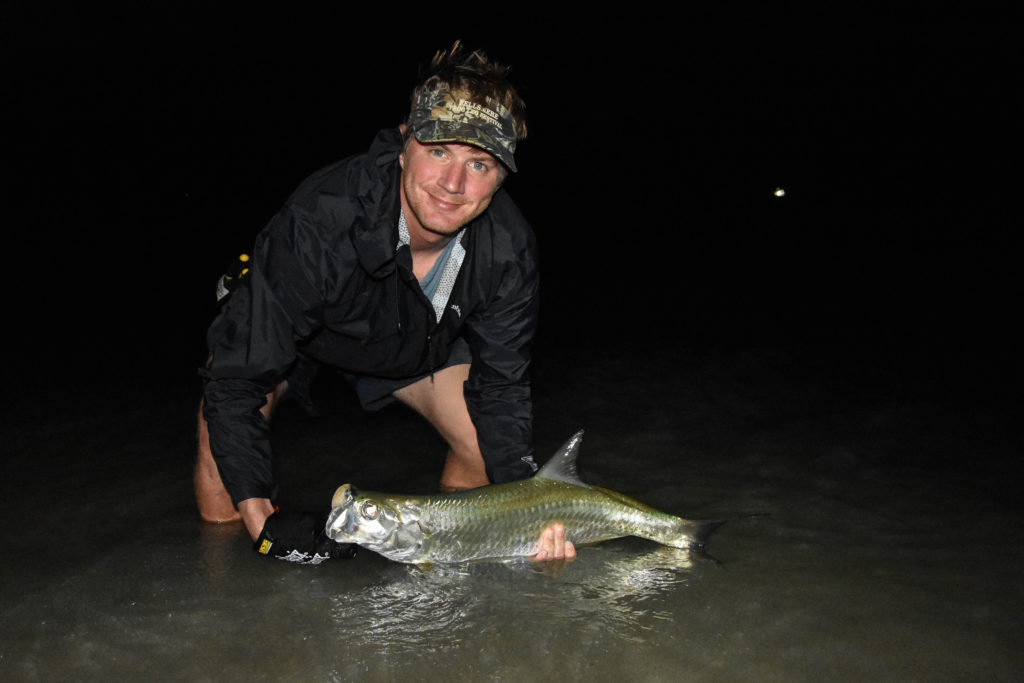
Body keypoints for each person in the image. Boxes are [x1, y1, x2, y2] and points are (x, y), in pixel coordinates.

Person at [195, 42, 576, 565]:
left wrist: (526, 513)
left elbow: (503, 387)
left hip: (408, 347)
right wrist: (264, 526)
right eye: (438, 150)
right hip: (295, 341)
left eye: (480, 164)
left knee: (486, 452)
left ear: (501, 178)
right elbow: (239, 377)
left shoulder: (508, 250)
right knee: (224, 495)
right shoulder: (322, 219)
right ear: (404, 144)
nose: (453, 183)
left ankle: (450, 579)